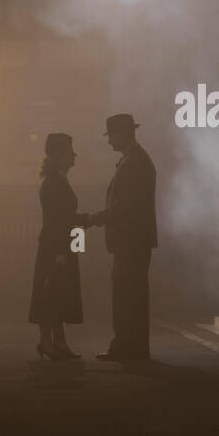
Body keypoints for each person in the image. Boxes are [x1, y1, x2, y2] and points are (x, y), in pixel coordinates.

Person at [86, 114, 157, 361]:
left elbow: (123, 206)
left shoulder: (132, 162)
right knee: (132, 295)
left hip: (130, 240)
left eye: (111, 136)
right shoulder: (136, 159)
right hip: (135, 240)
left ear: (122, 134)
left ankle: (126, 346)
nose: (109, 142)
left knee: (125, 295)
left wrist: (95, 218)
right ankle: (133, 346)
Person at [28, 133, 89, 360]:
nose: (74, 156)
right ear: (58, 155)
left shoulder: (56, 180)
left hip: (56, 245)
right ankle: (49, 342)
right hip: (57, 246)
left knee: (55, 293)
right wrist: (61, 252)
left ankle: (56, 342)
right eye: (69, 152)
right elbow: (59, 220)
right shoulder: (55, 183)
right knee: (51, 293)